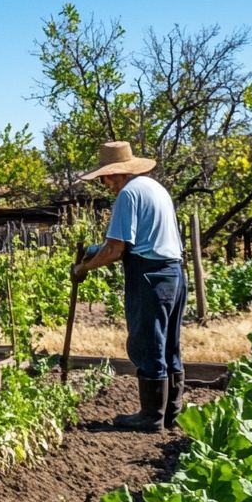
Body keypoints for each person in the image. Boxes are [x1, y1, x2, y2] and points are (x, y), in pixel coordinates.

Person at [70, 141, 187, 432]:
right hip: (173, 273)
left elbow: (116, 250)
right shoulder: (155, 188)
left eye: (105, 177)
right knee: (169, 343)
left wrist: (83, 268)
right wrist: (96, 249)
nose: (104, 183)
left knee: (148, 344)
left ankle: (151, 417)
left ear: (117, 173)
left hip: (149, 277)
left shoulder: (127, 195)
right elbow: (140, 238)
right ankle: (172, 413)